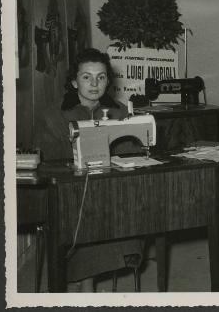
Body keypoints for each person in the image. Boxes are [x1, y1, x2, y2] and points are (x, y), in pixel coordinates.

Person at [36, 48, 144, 292]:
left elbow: (131, 153)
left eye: (101, 77)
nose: (95, 84)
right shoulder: (53, 115)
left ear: (108, 80)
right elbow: (50, 161)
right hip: (69, 193)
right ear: (74, 81)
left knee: (134, 205)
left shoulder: (120, 112)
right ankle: (86, 285)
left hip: (111, 189)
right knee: (91, 211)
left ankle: (87, 283)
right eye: (87, 77)